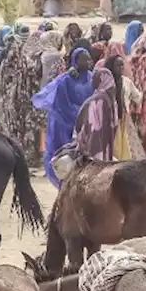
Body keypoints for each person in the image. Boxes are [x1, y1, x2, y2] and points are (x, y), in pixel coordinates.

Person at [34, 47, 96, 187]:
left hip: (86, 122)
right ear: (75, 61)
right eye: (83, 58)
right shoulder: (66, 80)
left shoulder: (92, 78)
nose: (88, 61)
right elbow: (62, 105)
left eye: (88, 58)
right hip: (65, 123)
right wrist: (80, 115)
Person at [72, 67, 119, 163]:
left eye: (94, 79)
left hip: (94, 145)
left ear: (101, 80)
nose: (91, 82)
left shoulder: (97, 100)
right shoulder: (112, 100)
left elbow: (88, 124)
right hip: (106, 145)